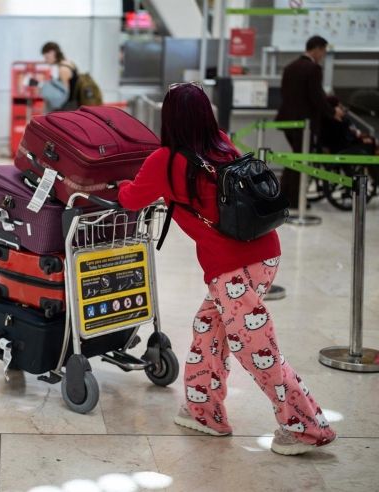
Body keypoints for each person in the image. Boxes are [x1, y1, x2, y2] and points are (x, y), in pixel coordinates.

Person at [118, 82, 336, 456]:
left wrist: (121, 181)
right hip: (265, 252)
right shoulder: (221, 142)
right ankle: (205, 412)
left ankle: (304, 426)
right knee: (208, 328)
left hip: (231, 269)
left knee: (255, 346)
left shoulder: (164, 161)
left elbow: (131, 198)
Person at [276, 35, 343, 208]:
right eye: (323, 51)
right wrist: (332, 112)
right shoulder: (313, 68)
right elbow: (316, 97)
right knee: (301, 159)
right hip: (304, 123)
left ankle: (284, 195)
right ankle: (294, 199)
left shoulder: (290, 67)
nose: (323, 56)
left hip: (287, 120)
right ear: (317, 49)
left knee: (296, 157)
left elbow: (287, 93)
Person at [39, 42, 79, 111]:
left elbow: (64, 95)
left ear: (52, 53)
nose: (45, 60)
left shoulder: (63, 69)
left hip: (68, 108)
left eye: (46, 57)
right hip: (73, 105)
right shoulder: (69, 63)